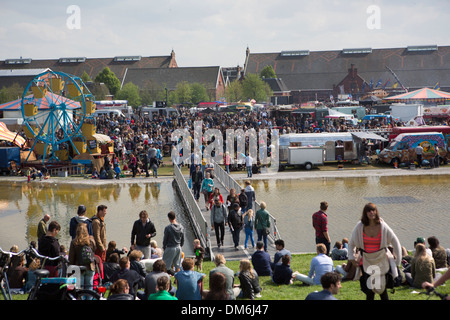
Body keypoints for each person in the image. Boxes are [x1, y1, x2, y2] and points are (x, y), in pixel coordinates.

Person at [347, 202, 402, 301]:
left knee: (382, 287)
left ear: (376, 212)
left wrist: (397, 258)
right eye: (369, 211)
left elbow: (395, 241)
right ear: (365, 213)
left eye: (373, 210)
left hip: (381, 259)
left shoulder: (383, 225)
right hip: (366, 260)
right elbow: (351, 243)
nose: (372, 212)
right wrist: (351, 257)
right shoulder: (359, 226)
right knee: (369, 288)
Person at [68, 223, 96, 290]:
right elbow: (93, 251)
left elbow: (71, 258)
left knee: (80, 289)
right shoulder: (91, 241)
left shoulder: (74, 242)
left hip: (79, 267)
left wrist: (70, 270)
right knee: (89, 288)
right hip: (90, 266)